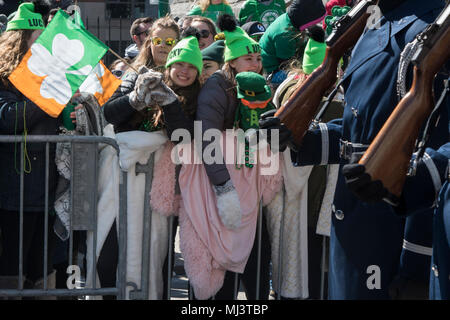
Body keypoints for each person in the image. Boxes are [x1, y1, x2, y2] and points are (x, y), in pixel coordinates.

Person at [260, 0, 448, 299]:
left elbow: (435, 146)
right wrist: (304, 138)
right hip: (353, 221)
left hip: (395, 231)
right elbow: (362, 126)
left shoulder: (437, 27)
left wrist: (418, 263)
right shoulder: (375, 21)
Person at [192, 13, 272, 300]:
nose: (257, 64)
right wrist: (224, 187)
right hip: (220, 186)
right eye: (250, 60)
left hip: (251, 186)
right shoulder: (218, 85)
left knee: (256, 257)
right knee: (221, 259)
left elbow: (269, 132)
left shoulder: (261, 86)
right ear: (233, 62)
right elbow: (207, 137)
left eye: (259, 59)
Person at [0, 0, 58, 297]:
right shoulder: (3, 77)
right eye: (37, 41)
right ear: (18, 41)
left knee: (42, 269)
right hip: (14, 191)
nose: (41, 47)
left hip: (48, 189)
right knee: (12, 268)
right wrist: (46, 94)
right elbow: (7, 118)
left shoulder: (48, 75)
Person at [259, 0, 326, 86]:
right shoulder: (285, 35)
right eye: (313, 22)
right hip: (273, 71)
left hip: (283, 60)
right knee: (309, 79)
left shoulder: (290, 19)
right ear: (305, 19)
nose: (315, 24)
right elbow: (287, 65)